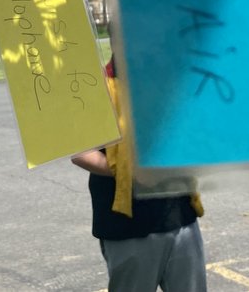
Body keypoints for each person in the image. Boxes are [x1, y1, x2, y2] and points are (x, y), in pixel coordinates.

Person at [71, 58, 207, 292]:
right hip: (128, 229)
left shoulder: (172, 80)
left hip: (181, 216)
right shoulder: (96, 86)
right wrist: (128, 170)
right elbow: (80, 152)